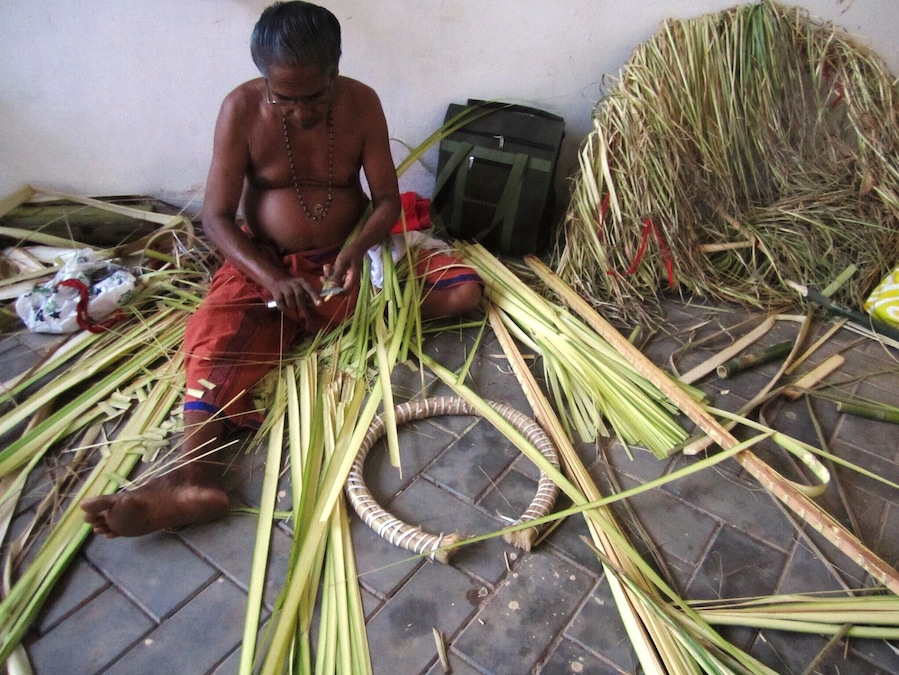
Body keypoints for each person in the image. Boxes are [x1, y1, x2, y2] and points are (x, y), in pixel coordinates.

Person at [81, 1, 482, 537]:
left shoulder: (362, 104)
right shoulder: (241, 110)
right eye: (282, 98)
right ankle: (190, 479)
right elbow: (217, 219)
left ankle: (319, 314)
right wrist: (272, 278)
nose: (298, 112)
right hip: (266, 266)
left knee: (462, 294)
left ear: (335, 71)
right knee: (217, 339)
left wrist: (356, 251)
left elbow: (385, 202)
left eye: (313, 96)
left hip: (347, 261)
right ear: (264, 80)